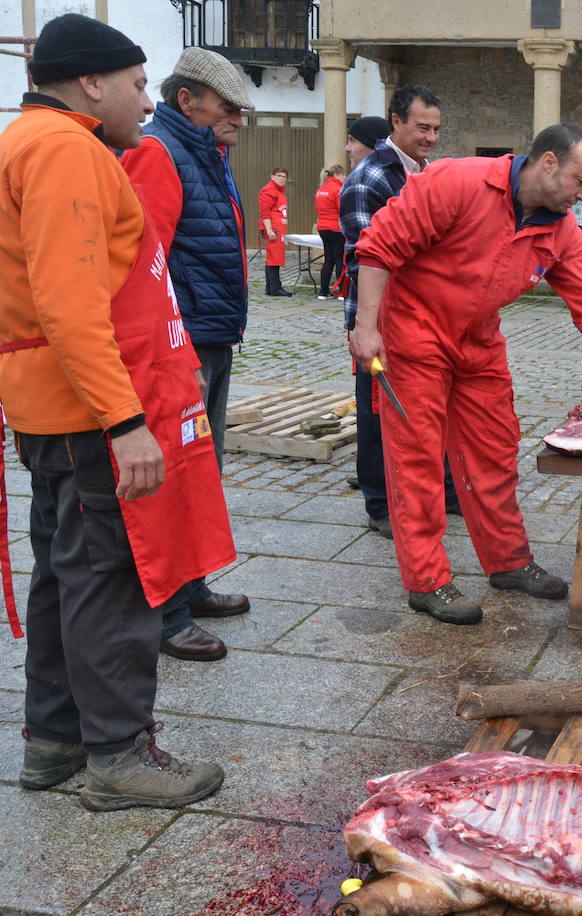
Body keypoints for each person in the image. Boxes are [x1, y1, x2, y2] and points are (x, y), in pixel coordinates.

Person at [1, 12, 227, 809]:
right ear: (91, 83)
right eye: (137, 84)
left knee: (64, 579)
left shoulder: (22, 142)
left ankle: (54, 741)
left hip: (47, 408)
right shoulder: (66, 150)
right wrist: (127, 421)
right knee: (110, 580)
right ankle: (118, 754)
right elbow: (70, 305)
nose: (146, 100)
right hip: (88, 413)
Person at [349, 123, 582, 625]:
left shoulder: (561, 230)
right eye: (580, 182)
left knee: (495, 451)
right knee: (416, 460)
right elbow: (378, 247)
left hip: (478, 342)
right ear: (548, 162)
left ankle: (508, 561)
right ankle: (427, 580)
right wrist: (367, 327)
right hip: (414, 336)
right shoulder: (457, 182)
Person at [120, 45, 255, 661]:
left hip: (210, 331)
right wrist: (176, 351)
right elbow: (147, 262)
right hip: (184, 342)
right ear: (188, 101)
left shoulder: (202, 150)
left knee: (203, 467)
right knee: (175, 473)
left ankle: (193, 582)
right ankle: (168, 614)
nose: (240, 119)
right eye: (229, 108)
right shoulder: (159, 153)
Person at [341, 86, 456, 539]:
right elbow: (369, 257)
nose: (431, 137)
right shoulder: (371, 178)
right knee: (376, 410)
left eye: (436, 129)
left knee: (431, 406)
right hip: (380, 318)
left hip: (426, 316)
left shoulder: (428, 172)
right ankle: (379, 503)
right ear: (396, 122)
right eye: (422, 128)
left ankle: (444, 489)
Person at [258, 166, 290, 296]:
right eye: (278, 176)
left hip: (278, 229)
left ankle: (271, 288)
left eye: (283, 176)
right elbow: (265, 212)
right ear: (272, 177)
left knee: (274, 257)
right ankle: (276, 288)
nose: (281, 179)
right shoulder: (269, 191)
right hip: (273, 229)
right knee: (274, 258)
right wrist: (269, 230)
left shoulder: (279, 192)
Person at [315, 164, 345, 300]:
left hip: (322, 227)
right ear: (338, 174)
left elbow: (317, 209)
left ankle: (323, 291)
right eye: (344, 175)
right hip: (336, 228)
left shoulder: (321, 190)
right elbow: (342, 209)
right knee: (340, 260)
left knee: (328, 260)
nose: (345, 177)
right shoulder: (338, 190)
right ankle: (342, 292)